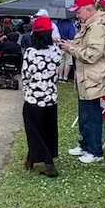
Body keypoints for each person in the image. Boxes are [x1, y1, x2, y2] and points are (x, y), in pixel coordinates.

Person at [60, 0, 105, 163]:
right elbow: (86, 47)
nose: (77, 15)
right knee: (84, 115)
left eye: (79, 11)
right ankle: (85, 146)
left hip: (94, 78)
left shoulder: (98, 27)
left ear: (89, 9)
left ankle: (95, 152)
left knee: (92, 116)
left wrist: (71, 49)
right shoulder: (90, 25)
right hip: (86, 77)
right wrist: (71, 45)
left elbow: (92, 54)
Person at [21, 16, 63, 177]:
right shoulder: (56, 51)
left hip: (33, 98)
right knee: (48, 130)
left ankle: (48, 162)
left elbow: (26, 75)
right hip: (51, 97)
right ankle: (31, 159)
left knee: (33, 131)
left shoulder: (31, 53)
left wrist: (26, 90)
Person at [56, 16, 77, 82]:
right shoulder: (71, 26)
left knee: (61, 62)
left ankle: (60, 77)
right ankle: (65, 78)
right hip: (68, 45)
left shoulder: (58, 25)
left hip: (59, 45)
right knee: (68, 62)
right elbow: (72, 36)